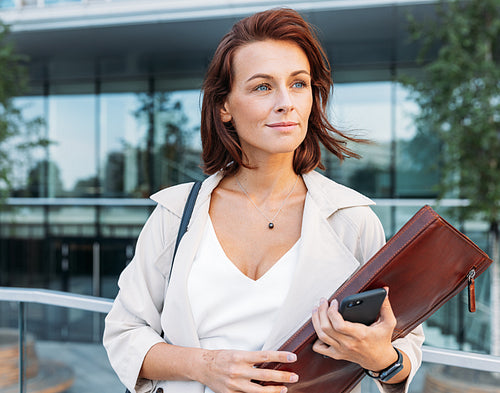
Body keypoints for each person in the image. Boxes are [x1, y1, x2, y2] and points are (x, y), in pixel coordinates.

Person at [103, 8, 424, 393]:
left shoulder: (351, 219)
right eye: (262, 87)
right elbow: (124, 334)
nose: (286, 102)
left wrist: (382, 361)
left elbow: (403, 350)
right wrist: (206, 366)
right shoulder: (176, 214)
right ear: (224, 107)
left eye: (299, 84)